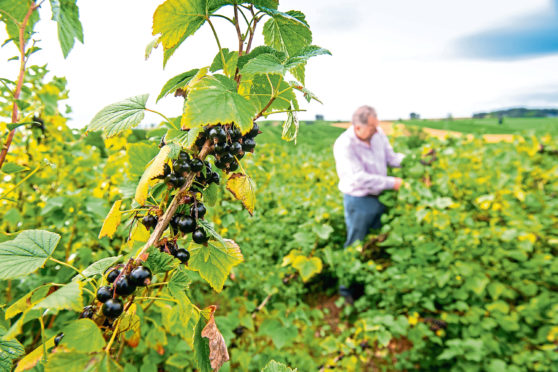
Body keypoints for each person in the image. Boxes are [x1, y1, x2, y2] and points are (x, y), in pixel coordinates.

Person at [333, 105, 405, 248]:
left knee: (376, 239)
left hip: (380, 196)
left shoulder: (377, 134)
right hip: (359, 199)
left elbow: (391, 158)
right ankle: (352, 266)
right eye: (372, 128)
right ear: (358, 127)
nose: (376, 131)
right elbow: (359, 177)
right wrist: (394, 183)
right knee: (357, 241)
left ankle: (371, 265)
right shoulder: (345, 145)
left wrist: (413, 160)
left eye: (376, 126)